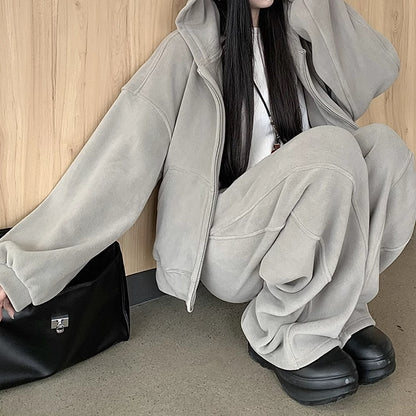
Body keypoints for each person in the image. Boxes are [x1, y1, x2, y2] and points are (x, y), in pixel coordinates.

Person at [1, 0, 415, 406]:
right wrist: (19, 271)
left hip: (296, 231)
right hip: (228, 243)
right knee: (333, 147)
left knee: (387, 150)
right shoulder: (188, 52)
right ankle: (280, 330)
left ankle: (340, 310)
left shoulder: (298, 41)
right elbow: (119, 161)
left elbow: (377, 72)